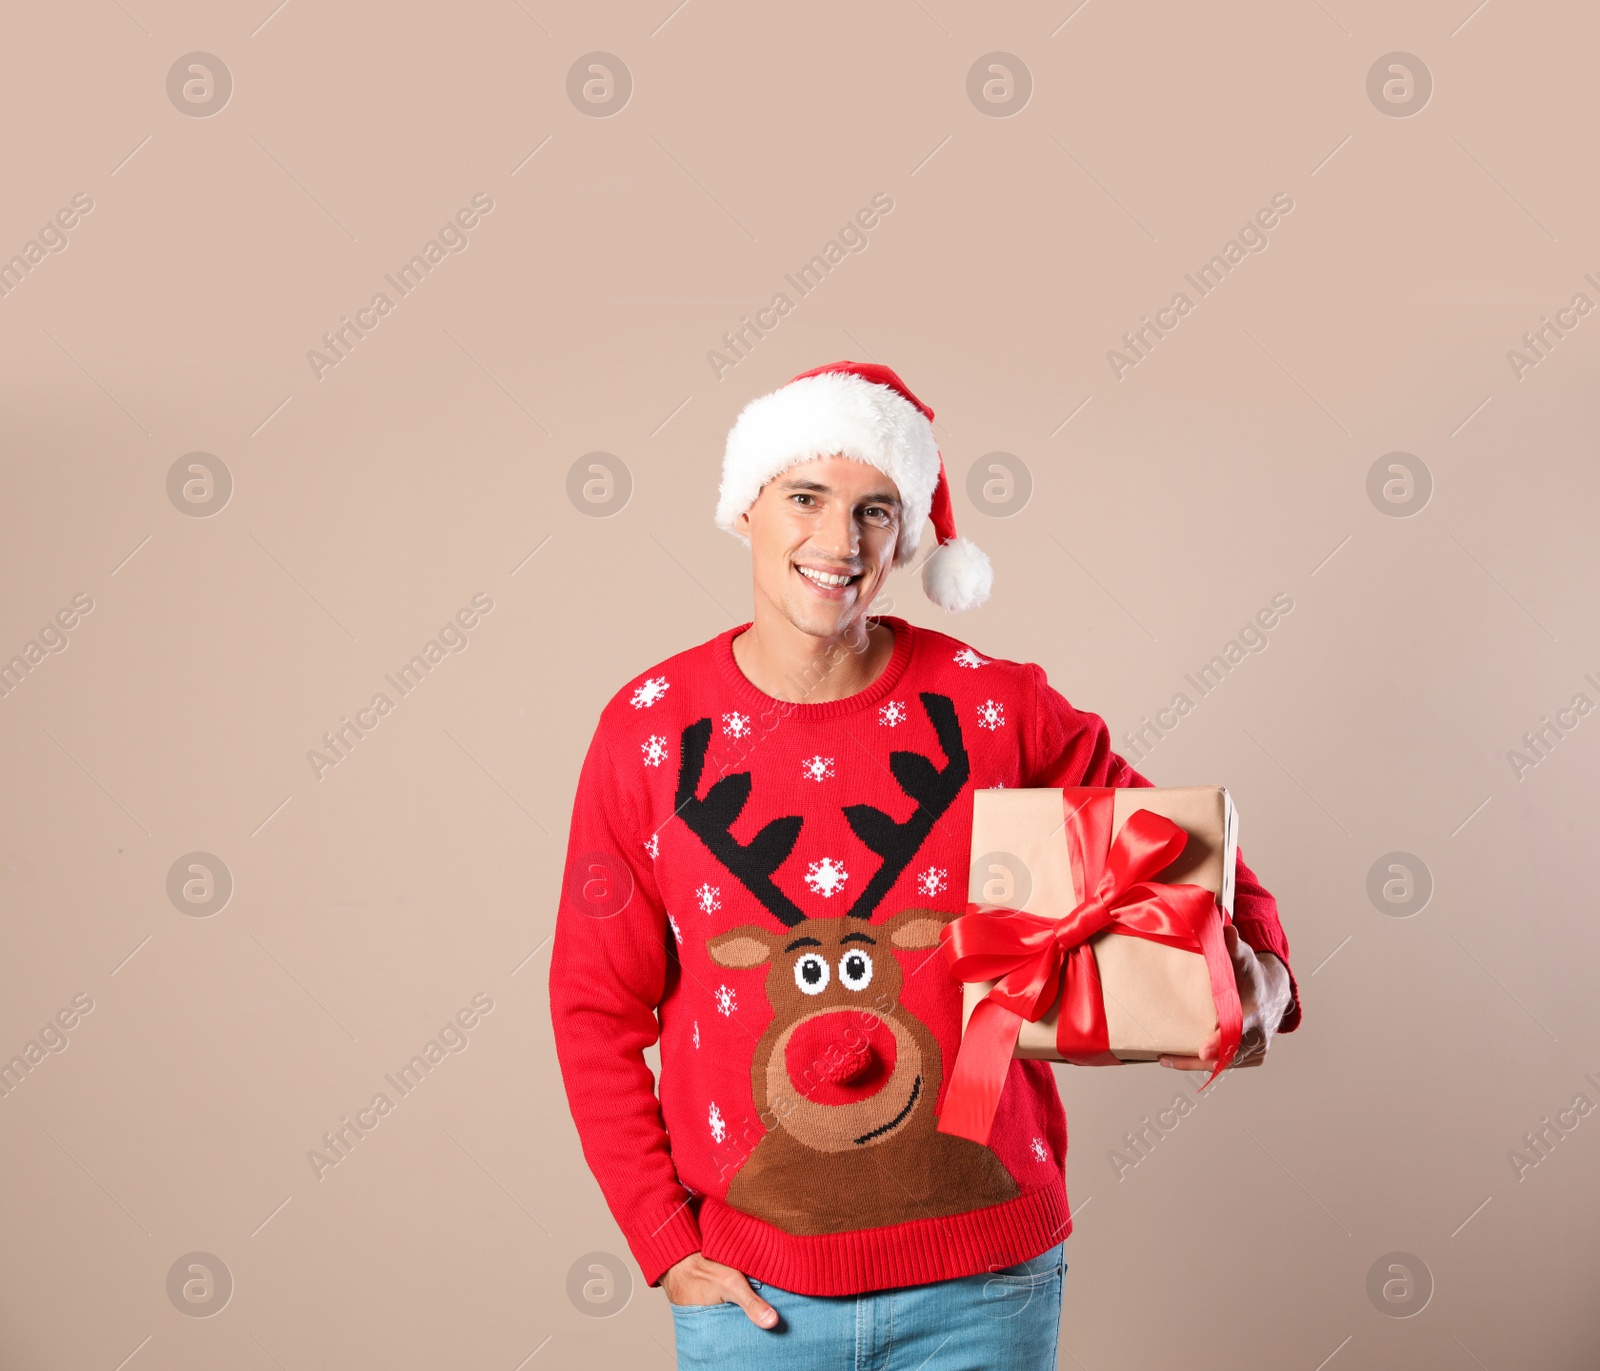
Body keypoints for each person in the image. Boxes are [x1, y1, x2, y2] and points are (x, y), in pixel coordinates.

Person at [548, 360, 1299, 1369]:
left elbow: (1179, 845)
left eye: (874, 510)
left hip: (984, 1290)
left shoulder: (993, 709)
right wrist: (662, 1243)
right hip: (752, 1299)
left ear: (904, 536)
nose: (837, 541)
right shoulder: (649, 733)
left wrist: (1261, 964)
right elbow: (593, 1008)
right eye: (804, 498)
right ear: (747, 510)